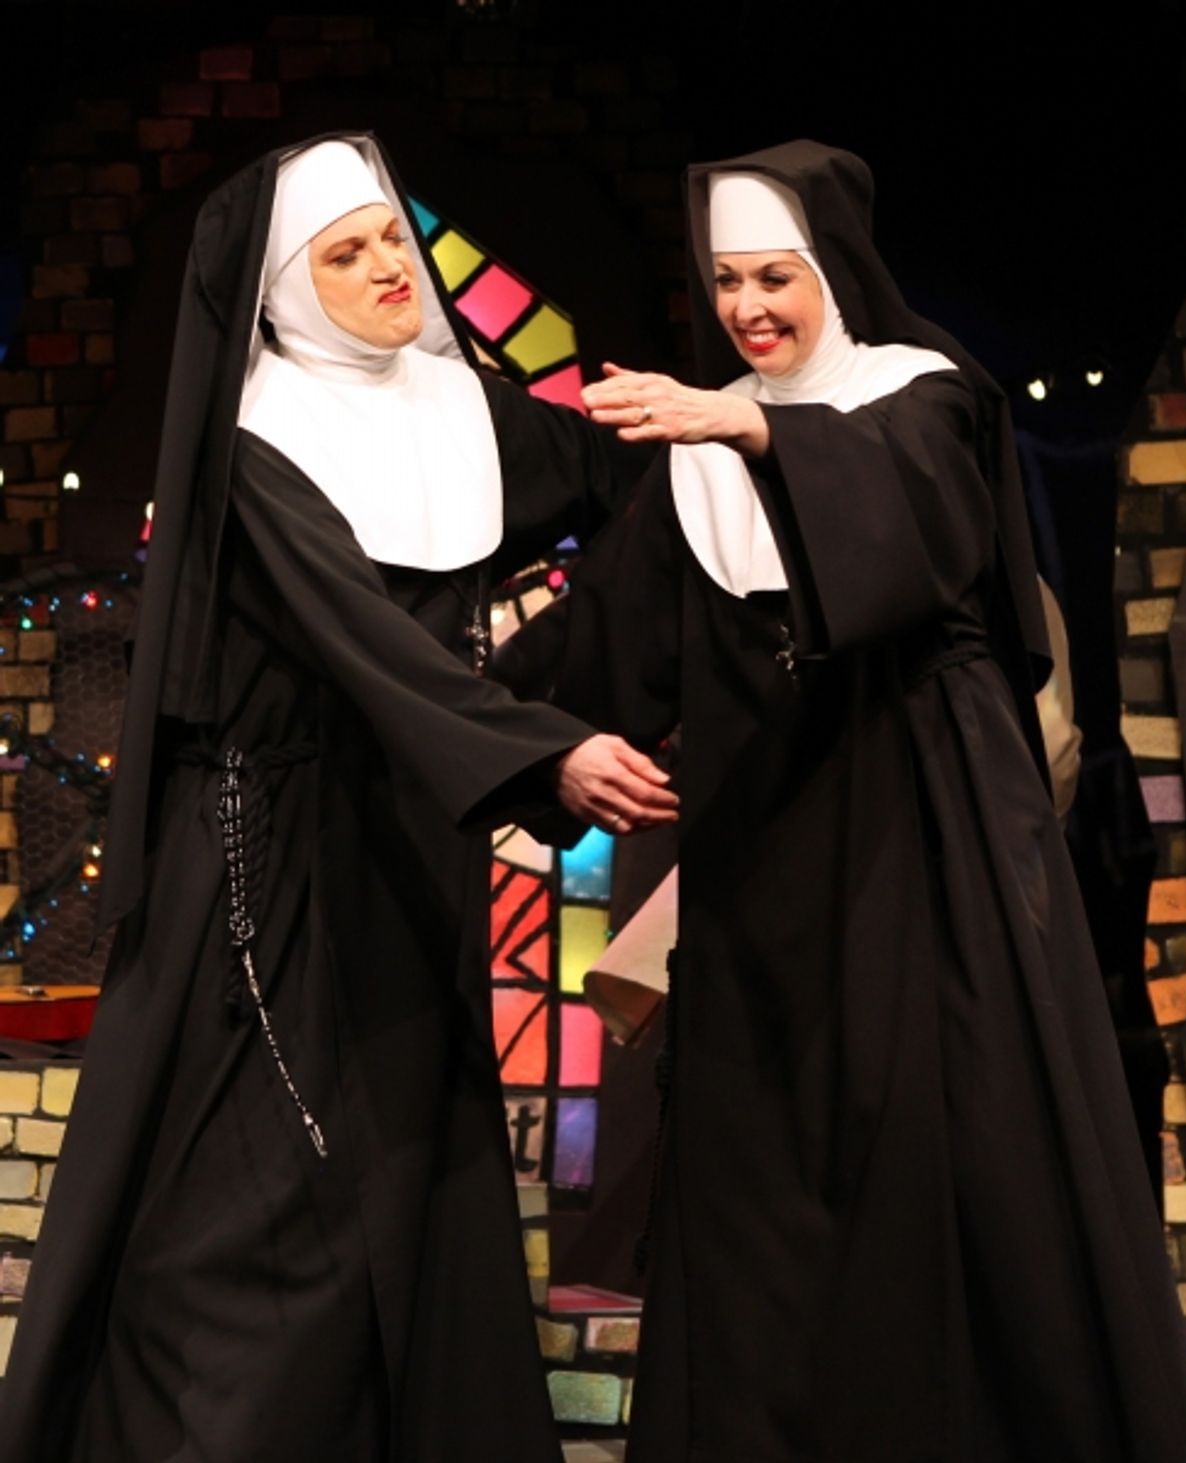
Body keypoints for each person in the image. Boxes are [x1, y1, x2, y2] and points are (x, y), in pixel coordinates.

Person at [0, 133, 677, 1462]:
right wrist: (537, 749)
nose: (386, 272)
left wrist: (726, 432)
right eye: (345, 254)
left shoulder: (461, 412)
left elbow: (635, 496)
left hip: (405, 841)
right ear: (280, 291)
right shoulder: (260, 440)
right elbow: (357, 641)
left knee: (414, 1176)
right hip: (259, 864)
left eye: (389, 242)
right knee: (263, 1204)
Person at [540, 141, 1186, 1461]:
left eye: (775, 275)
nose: (749, 311)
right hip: (762, 874)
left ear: (835, 267)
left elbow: (909, 516)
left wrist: (754, 425)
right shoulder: (699, 443)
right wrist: (533, 746)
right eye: (725, 282)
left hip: (925, 847)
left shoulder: (925, 394)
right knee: (761, 1199)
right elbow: (605, 644)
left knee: (945, 1170)